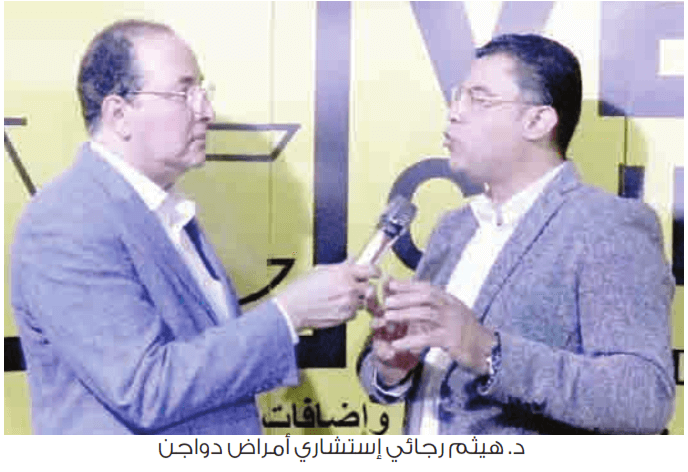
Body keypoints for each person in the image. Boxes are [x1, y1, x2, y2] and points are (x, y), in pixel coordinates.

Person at [10, 19, 378, 434]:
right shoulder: (66, 221)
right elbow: (144, 389)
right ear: (119, 114)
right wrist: (288, 313)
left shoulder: (163, 211)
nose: (206, 112)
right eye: (183, 93)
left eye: (203, 91)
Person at [358, 33, 675, 434]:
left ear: (538, 121)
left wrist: (486, 350)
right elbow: (401, 379)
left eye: (479, 99)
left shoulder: (608, 226)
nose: (454, 113)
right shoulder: (452, 228)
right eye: (457, 97)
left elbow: (642, 398)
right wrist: (392, 368)